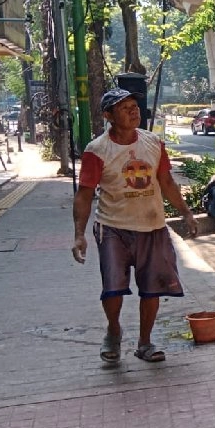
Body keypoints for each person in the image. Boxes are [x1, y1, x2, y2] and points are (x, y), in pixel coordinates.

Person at [72, 88, 198, 364]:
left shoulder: (154, 143)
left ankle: (145, 343)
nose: (133, 110)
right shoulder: (97, 150)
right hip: (113, 226)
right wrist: (79, 234)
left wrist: (186, 213)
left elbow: (166, 182)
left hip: (152, 226)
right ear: (108, 116)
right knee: (113, 288)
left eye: (134, 105)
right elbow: (84, 194)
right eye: (124, 107)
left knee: (152, 288)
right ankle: (113, 331)